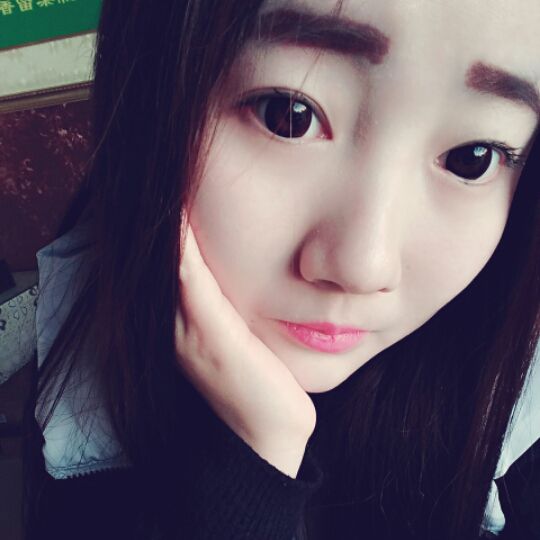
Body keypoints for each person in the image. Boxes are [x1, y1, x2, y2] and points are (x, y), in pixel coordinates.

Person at [21, 1, 540, 539]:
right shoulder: (84, 385)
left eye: (473, 158)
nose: (363, 266)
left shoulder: (518, 423)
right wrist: (254, 465)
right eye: (288, 115)